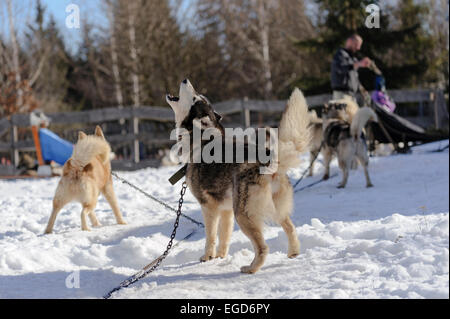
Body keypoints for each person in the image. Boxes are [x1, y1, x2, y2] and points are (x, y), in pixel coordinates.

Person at [331, 34, 371, 102]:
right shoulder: (340, 54)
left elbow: (354, 77)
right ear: (349, 41)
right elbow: (341, 68)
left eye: (359, 46)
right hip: (341, 94)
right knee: (342, 112)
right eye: (356, 44)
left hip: (352, 95)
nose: (358, 48)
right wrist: (359, 64)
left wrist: (363, 90)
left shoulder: (353, 59)